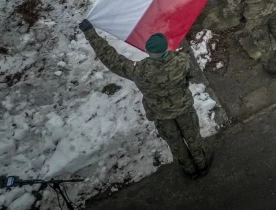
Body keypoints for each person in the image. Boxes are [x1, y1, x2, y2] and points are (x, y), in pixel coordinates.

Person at [78, 22, 212, 178]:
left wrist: (90, 33)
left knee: (175, 143)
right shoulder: (181, 61)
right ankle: (202, 163)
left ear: (148, 51)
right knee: (193, 136)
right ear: (165, 48)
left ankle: (189, 169)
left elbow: (111, 59)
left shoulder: (139, 71)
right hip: (184, 109)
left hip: (160, 114)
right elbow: (193, 74)